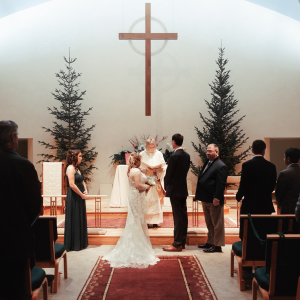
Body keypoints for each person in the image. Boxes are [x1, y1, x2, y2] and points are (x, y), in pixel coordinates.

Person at [0, 120, 42, 300]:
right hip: (14, 243)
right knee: (15, 290)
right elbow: (35, 207)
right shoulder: (22, 165)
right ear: (13, 137)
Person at [103, 153, 159, 268]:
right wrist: (148, 186)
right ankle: (138, 244)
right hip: (137, 195)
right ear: (138, 161)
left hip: (134, 195)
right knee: (137, 218)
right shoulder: (137, 172)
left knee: (134, 218)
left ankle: (136, 241)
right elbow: (138, 185)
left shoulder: (131, 171)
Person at [196, 144, 228, 253]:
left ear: (217, 152)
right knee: (209, 222)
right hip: (206, 198)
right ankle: (210, 241)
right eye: (207, 151)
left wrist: (217, 198)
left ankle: (217, 245)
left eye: (210, 151)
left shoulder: (220, 165)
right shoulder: (209, 163)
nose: (207, 153)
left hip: (213, 199)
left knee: (217, 223)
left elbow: (220, 184)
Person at [163, 133, 190, 252]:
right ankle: (182, 241)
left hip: (174, 189)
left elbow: (169, 174)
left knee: (178, 217)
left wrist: (166, 186)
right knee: (183, 215)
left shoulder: (174, 156)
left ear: (173, 142)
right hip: (183, 188)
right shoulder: (187, 155)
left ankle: (177, 243)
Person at [236, 140, 277, 214]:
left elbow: (244, 184)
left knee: (248, 225)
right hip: (265, 204)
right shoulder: (271, 166)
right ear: (264, 150)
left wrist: (239, 196)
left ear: (252, 150)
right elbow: (272, 185)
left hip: (250, 204)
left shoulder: (247, 165)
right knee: (264, 225)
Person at [64, 149, 88, 251]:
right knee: (75, 217)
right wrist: (81, 195)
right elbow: (72, 184)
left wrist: (85, 190)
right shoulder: (70, 168)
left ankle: (81, 242)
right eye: (80, 156)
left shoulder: (77, 168)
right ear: (74, 157)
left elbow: (82, 180)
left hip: (80, 196)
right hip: (74, 197)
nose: (81, 158)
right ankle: (74, 244)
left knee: (80, 217)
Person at [140, 138, 166, 228]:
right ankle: (146, 222)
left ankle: (155, 222)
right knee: (146, 200)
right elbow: (138, 166)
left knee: (155, 201)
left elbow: (163, 167)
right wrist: (145, 168)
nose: (152, 149)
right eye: (150, 147)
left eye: (153, 146)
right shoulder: (142, 154)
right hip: (145, 180)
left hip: (155, 179)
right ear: (146, 146)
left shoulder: (159, 154)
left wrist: (156, 169)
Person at [275, 148, 300, 214]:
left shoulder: (284, 173)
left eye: (284, 157)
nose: (283, 159)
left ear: (288, 159)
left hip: (288, 209)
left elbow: (279, 194)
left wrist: (279, 205)